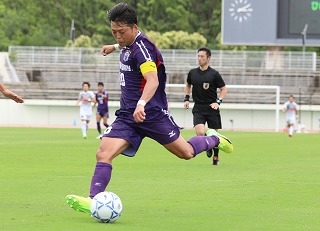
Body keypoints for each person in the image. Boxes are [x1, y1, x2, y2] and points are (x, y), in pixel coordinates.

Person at [66, 2, 233, 215]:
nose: (117, 36)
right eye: (113, 32)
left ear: (134, 27)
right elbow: (128, 44)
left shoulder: (143, 50)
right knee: (103, 154)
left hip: (152, 114)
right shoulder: (128, 43)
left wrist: (142, 103)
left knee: (187, 153)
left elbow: (152, 80)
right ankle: (93, 200)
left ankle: (215, 139)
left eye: (121, 32)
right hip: (128, 116)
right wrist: (114, 46)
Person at [184, 47, 227, 166]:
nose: (199, 58)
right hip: (198, 108)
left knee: (215, 135)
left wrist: (218, 102)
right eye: (198, 56)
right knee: (200, 133)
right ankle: (208, 147)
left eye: (202, 56)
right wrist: (186, 99)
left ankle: (216, 157)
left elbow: (223, 89)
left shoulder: (214, 74)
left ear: (209, 58)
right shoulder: (192, 73)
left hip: (212, 108)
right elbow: (188, 85)